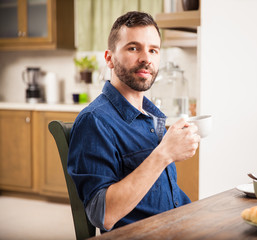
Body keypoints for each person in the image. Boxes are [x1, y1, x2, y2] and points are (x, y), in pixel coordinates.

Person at [68, 11, 200, 232]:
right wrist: (164, 153)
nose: (146, 58)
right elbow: (103, 214)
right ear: (109, 58)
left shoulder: (153, 116)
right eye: (133, 48)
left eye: (153, 50)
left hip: (177, 227)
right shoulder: (95, 120)